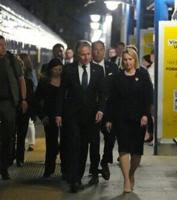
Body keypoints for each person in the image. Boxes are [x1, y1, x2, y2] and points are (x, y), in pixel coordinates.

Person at [55, 40, 105, 193]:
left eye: (88, 54)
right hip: (72, 116)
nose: (85, 57)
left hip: (90, 117)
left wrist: (101, 110)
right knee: (74, 146)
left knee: (84, 147)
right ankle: (74, 179)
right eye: (82, 55)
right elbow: (60, 93)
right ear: (77, 55)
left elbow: (102, 93)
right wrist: (58, 113)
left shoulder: (97, 70)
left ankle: (79, 174)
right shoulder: (68, 69)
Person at [106, 47, 153, 193]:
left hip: (139, 119)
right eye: (125, 60)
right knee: (124, 148)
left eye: (130, 59)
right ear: (122, 61)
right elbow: (111, 100)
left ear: (135, 60)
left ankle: (132, 173)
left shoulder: (143, 75)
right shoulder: (117, 77)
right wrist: (109, 119)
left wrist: (145, 115)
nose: (128, 62)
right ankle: (126, 179)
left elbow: (148, 97)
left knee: (137, 151)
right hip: (121, 118)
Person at [0, 35, 27, 180]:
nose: (2, 48)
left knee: (8, 135)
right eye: (0, 45)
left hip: (8, 103)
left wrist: (23, 99)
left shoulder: (12, 60)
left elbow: (21, 80)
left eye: (4, 45)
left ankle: (4, 166)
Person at [91, 40, 118, 181]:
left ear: (105, 50)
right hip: (92, 111)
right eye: (95, 49)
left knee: (110, 138)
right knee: (94, 141)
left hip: (109, 110)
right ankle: (94, 169)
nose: (98, 52)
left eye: (101, 49)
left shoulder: (112, 67)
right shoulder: (87, 67)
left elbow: (116, 90)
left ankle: (105, 161)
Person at [35, 58, 63, 178]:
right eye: (56, 69)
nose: (58, 72)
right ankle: (49, 168)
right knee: (51, 143)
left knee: (66, 142)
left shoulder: (66, 81)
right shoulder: (44, 83)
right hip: (49, 117)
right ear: (50, 70)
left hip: (64, 116)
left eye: (60, 69)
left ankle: (65, 168)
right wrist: (42, 116)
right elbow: (36, 100)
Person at [15, 53, 35, 167]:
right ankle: (18, 158)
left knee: (20, 135)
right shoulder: (29, 81)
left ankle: (18, 157)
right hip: (21, 111)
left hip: (22, 111)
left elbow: (31, 98)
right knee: (20, 136)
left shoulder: (28, 81)